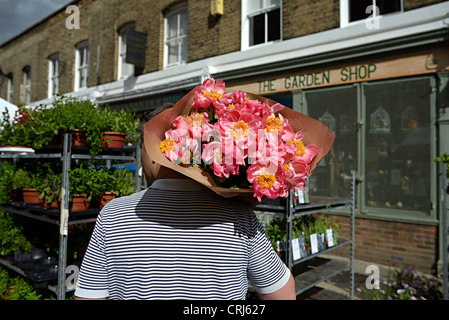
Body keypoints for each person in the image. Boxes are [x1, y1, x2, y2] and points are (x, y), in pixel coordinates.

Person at [74, 105, 296, 300]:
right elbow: (281, 291)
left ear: (152, 150)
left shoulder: (114, 214)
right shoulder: (239, 217)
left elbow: (89, 296)